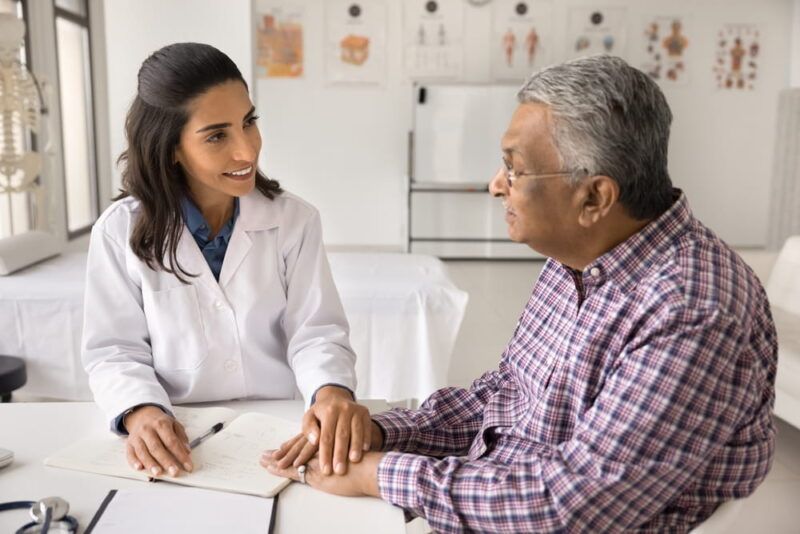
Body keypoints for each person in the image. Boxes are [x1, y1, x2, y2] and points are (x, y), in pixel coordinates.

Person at [263, 55, 777, 533]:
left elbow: (572, 503)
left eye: (514, 168)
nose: (495, 185)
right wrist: (383, 434)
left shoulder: (694, 308)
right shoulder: (578, 255)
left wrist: (381, 475)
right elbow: (506, 397)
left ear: (594, 197)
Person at [82, 42, 371, 480]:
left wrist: (330, 393)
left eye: (249, 122)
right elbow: (113, 350)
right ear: (170, 147)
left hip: (280, 430)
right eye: (217, 135)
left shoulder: (294, 220)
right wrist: (140, 411)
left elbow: (316, 332)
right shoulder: (119, 231)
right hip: (181, 438)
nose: (247, 150)